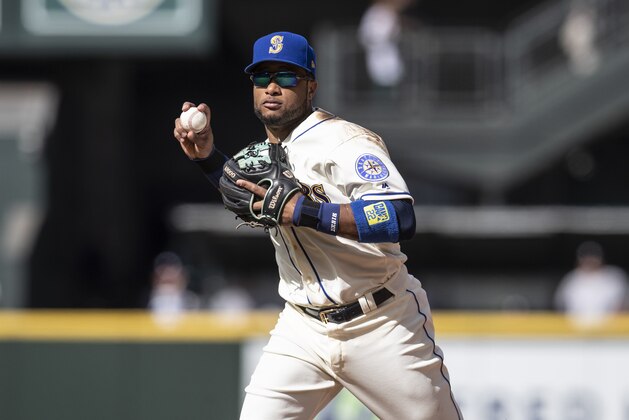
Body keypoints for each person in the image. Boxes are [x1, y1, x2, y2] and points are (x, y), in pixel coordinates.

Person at [173, 31, 462, 419]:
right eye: (262, 78)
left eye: (286, 77)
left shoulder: (345, 142)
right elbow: (245, 195)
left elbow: (398, 216)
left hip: (381, 322)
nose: (272, 87)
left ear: (311, 87)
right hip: (302, 329)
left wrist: (307, 212)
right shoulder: (266, 151)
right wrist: (208, 157)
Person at [554, 241, 628, 328]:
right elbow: (560, 305)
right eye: (586, 258)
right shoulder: (572, 279)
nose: (589, 261)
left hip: (609, 331)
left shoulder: (614, 277)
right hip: (576, 330)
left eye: (593, 258)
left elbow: (623, 304)